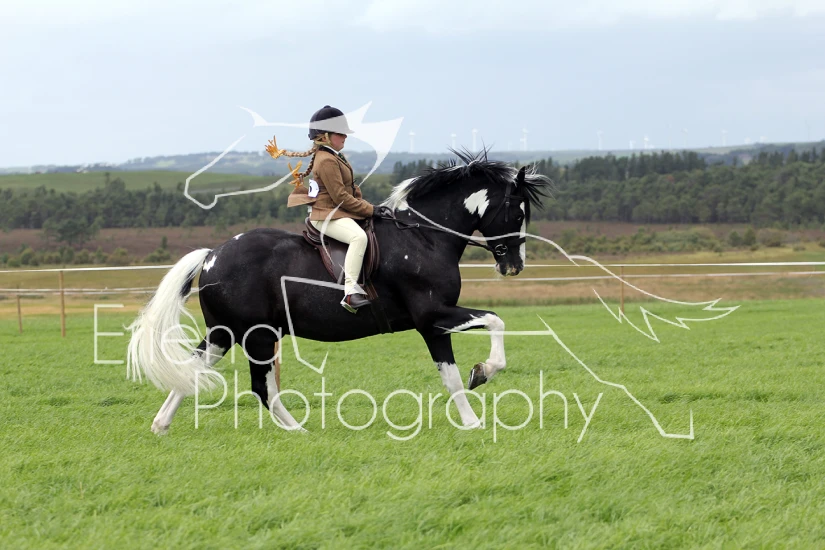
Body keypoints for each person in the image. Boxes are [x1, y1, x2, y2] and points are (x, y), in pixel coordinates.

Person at [267, 105, 388, 313]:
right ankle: (350, 293)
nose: (345, 137)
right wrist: (370, 210)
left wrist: (371, 208)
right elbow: (341, 197)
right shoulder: (326, 161)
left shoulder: (334, 156)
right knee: (358, 238)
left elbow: (350, 191)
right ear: (325, 136)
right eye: (340, 133)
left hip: (337, 212)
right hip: (327, 216)